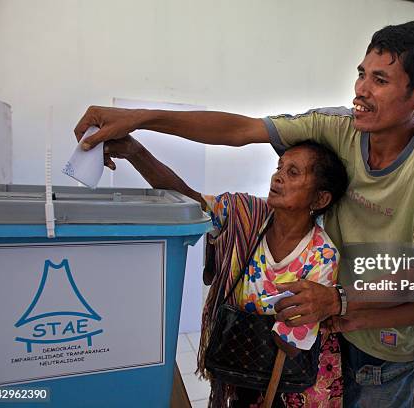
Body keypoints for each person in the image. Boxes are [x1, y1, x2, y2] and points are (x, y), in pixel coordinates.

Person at [74, 21, 414, 407]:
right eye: (361, 74)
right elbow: (240, 130)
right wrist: (140, 121)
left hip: (387, 346)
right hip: (332, 331)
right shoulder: (312, 154)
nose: (361, 89)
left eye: (380, 79)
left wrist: (340, 300)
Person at [104, 135, 348, 407]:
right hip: (244, 371)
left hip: (296, 387)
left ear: (320, 197)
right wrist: (136, 151)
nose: (277, 178)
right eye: (279, 168)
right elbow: (189, 202)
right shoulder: (247, 216)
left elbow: (291, 345)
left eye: (293, 173)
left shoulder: (322, 254)